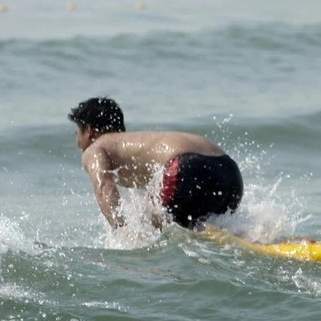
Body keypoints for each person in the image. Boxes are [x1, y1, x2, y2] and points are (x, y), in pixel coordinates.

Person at [68, 97, 242, 230]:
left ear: (89, 131)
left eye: (77, 132)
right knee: (203, 228)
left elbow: (104, 186)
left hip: (186, 168)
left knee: (148, 228)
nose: (77, 141)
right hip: (229, 172)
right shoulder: (138, 143)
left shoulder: (96, 147)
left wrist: (121, 229)